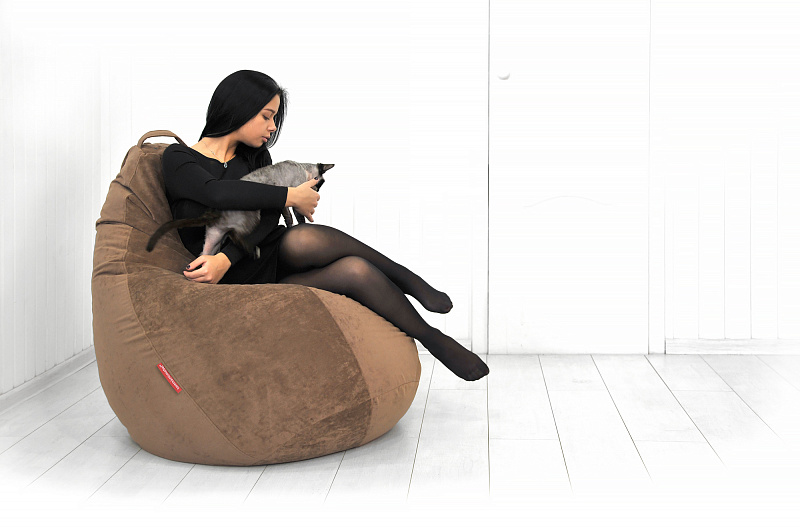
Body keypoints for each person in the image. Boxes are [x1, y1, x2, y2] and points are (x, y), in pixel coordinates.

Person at [162, 69, 489, 381]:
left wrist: (229, 254)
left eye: (275, 118)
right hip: (235, 277)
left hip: (258, 251)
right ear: (239, 108)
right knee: (343, 264)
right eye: (266, 116)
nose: (272, 127)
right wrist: (290, 196)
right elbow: (216, 193)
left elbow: (267, 216)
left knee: (337, 258)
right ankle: (413, 292)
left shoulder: (255, 158)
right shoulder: (178, 158)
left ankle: (430, 334)